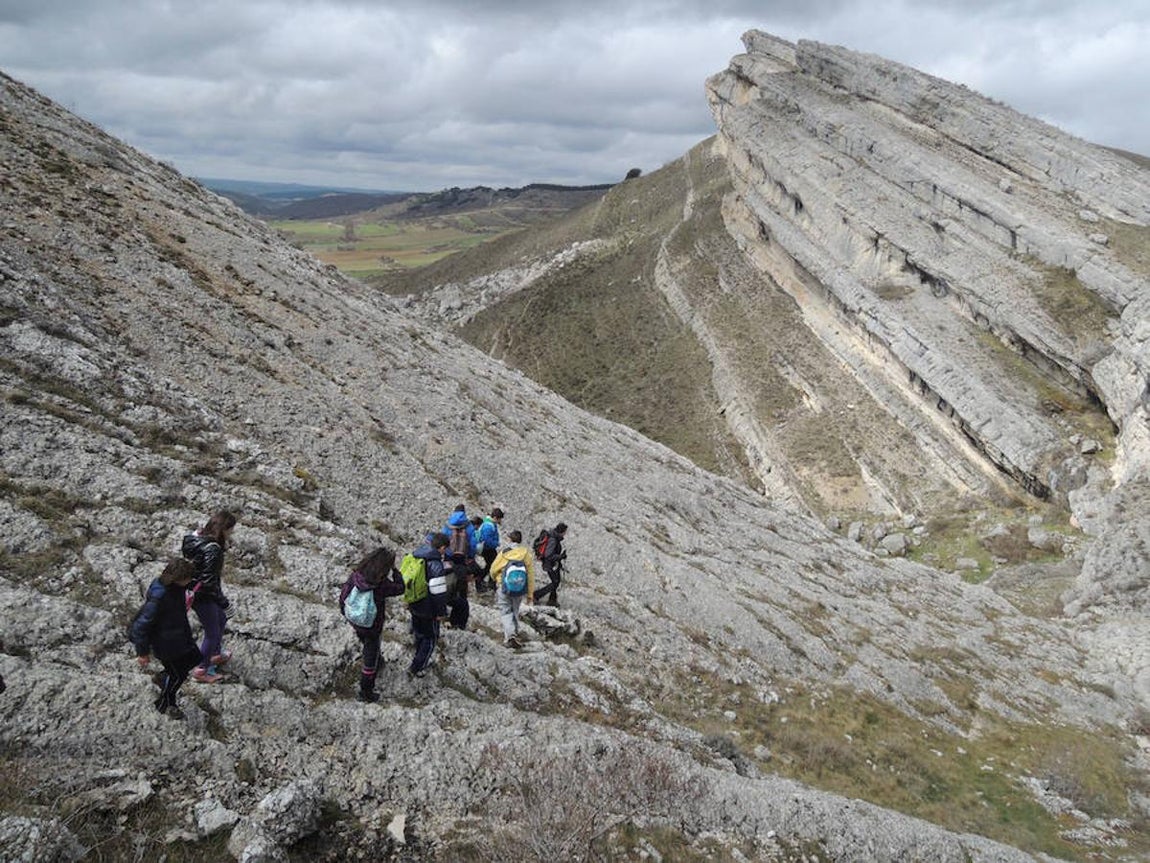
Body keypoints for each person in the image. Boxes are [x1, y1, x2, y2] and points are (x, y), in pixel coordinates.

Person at [129, 557, 203, 718]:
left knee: (195, 658)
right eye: (187, 578)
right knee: (178, 675)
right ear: (178, 579)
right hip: (165, 644)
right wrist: (142, 653)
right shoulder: (160, 597)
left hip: (178, 636)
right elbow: (140, 625)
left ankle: (163, 677)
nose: (189, 581)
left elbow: (192, 583)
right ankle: (165, 703)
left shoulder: (174, 587)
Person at [339, 546, 404, 703]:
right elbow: (401, 588)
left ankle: (377, 660)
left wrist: (346, 613)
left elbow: (344, 596)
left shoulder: (356, 576)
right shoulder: (381, 584)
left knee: (367, 644)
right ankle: (365, 691)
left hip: (355, 620)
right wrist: (396, 571)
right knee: (370, 655)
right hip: (372, 626)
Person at [182, 510, 238, 683]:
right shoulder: (213, 549)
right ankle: (201, 669)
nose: (232, 533)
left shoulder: (195, 539)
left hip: (195, 590)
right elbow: (209, 582)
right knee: (212, 632)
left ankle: (214, 654)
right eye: (231, 529)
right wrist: (223, 602)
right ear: (223, 529)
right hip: (203, 595)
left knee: (220, 618)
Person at [407, 532, 450, 678]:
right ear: (442, 547)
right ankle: (417, 667)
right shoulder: (436, 564)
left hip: (414, 602)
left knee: (419, 633)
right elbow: (438, 593)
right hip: (429, 608)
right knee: (430, 638)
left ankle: (417, 656)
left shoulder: (417, 556)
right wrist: (441, 613)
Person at [489, 530, 534, 648]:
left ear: (510, 539)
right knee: (515, 611)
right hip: (519, 587)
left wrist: (495, 579)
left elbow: (493, 569)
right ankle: (514, 634)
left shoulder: (504, 553)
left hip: (503, 586)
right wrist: (530, 594)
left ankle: (509, 636)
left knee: (505, 611)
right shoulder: (526, 554)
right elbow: (530, 575)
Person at [442, 505, 477, 629]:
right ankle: (459, 622)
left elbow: (442, 540)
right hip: (462, 560)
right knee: (462, 591)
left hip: (448, 559)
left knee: (447, 585)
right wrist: (471, 557)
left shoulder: (447, 525)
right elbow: (473, 544)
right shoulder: (469, 526)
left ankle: (443, 613)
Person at [532, 522, 568, 608]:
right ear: (562, 531)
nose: (565, 534)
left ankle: (552, 600)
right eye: (565, 532)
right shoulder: (553, 539)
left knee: (556, 581)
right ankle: (536, 595)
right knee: (555, 582)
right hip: (550, 564)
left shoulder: (554, 537)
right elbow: (548, 555)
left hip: (553, 564)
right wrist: (560, 556)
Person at [474, 507, 504, 593]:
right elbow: (487, 540)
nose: (500, 521)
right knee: (493, 565)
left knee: (491, 565)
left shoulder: (489, 522)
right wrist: (496, 544)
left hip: (488, 548)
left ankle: (487, 581)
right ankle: (485, 581)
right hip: (488, 549)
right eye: (499, 519)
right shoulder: (488, 526)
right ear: (495, 518)